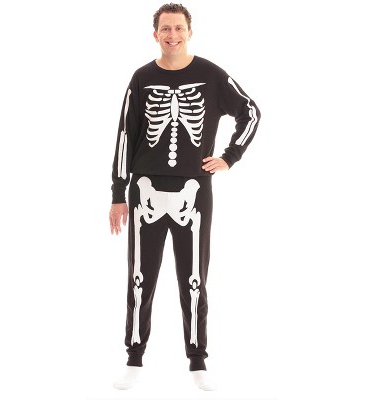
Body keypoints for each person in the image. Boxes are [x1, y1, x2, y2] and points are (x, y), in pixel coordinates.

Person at [109, 2, 261, 391]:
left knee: (194, 277)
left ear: (190, 32)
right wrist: (118, 193)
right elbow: (125, 135)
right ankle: (134, 357)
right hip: (144, 189)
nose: (172, 35)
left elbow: (250, 112)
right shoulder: (142, 78)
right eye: (166, 29)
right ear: (155, 34)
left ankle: (197, 361)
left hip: (193, 190)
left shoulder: (211, 75)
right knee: (140, 277)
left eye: (179, 28)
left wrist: (230, 157)